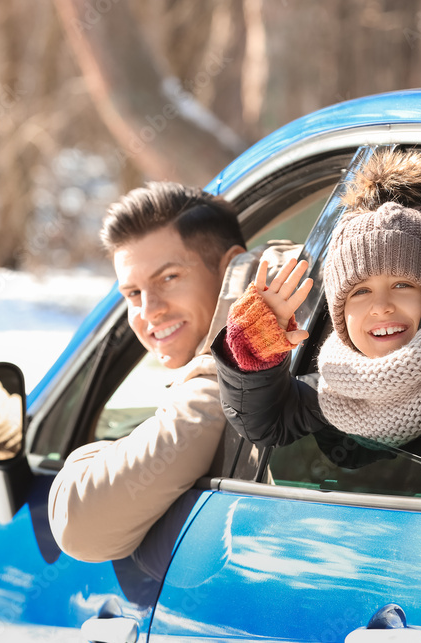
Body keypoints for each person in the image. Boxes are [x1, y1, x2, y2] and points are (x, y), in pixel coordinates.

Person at [213, 149, 421, 492]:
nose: (381, 307)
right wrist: (255, 345)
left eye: (402, 285)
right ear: (339, 313)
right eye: (359, 292)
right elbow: (266, 423)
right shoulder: (340, 383)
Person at [47, 181, 247, 563]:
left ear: (232, 271)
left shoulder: (224, 383)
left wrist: (91, 458)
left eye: (168, 278)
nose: (149, 310)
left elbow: (80, 524)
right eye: (133, 294)